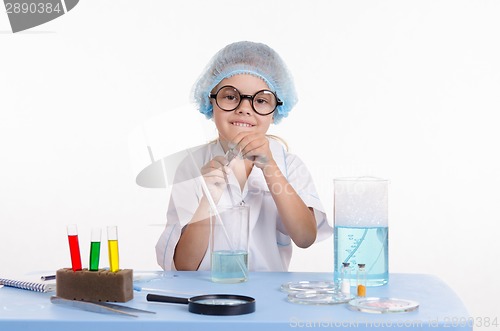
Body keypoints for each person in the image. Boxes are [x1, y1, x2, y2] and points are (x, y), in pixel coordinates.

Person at [156, 41, 332, 272]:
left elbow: (305, 237)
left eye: (260, 100)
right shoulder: (191, 167)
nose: (244, 108)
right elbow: (184, 265)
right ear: (211, 101)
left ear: (276, 109)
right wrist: (208, 201)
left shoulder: (290, 166)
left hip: (270, 300)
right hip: (208, 296)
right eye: (231, 97)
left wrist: (272, 171)